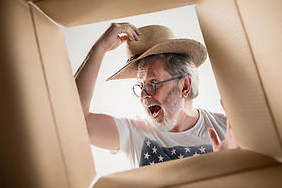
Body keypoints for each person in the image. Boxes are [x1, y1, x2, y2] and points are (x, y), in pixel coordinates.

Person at [75, 23, 238, 168]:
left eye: (152, 84)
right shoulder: (134, 134)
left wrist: (231, 164)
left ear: (185, 86)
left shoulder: (228, 129)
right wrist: (100, 48)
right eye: (140, 86)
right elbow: (74, 122)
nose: (143, 95)